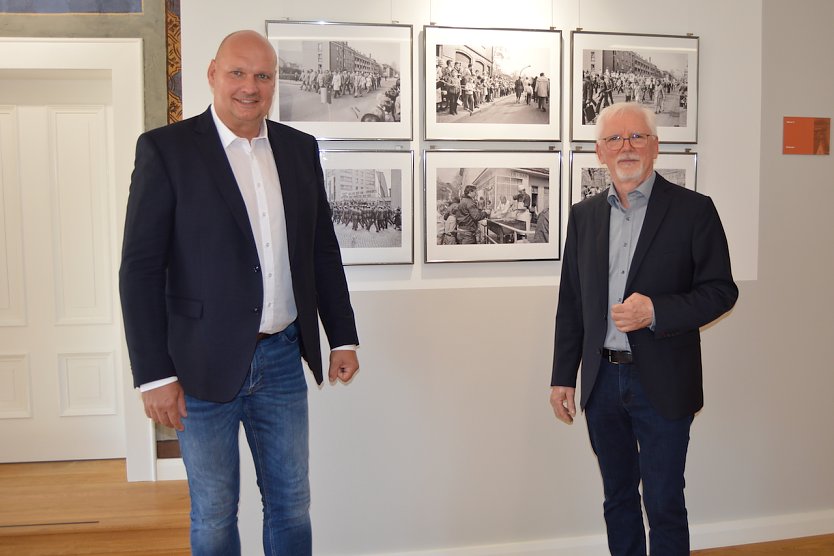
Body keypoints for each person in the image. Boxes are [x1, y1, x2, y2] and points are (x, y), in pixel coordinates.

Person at [119, 30, 360, 556]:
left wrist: (342, 336)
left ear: (275, 82)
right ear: (211, 73)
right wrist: (155, 375)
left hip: (280, 358)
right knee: (212, 509)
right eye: (237, 73)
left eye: (263, 75)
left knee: (292, 504)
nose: (250, 87)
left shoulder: (299, 150)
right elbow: (138, 270)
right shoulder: (167, 150)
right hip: (198, 367)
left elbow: (322, 250)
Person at [549, 102, 738, 556]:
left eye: (637, 137)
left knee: (664, 502)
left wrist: (656, 311)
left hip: (664, 382)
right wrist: (561, 376)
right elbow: (572, 303)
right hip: (602, 382)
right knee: (618, 499)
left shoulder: (695, 211)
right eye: (615, 139)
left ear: (655, 146)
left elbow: (720, 291)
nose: (626, 147)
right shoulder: (584, 216)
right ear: (599, 152)